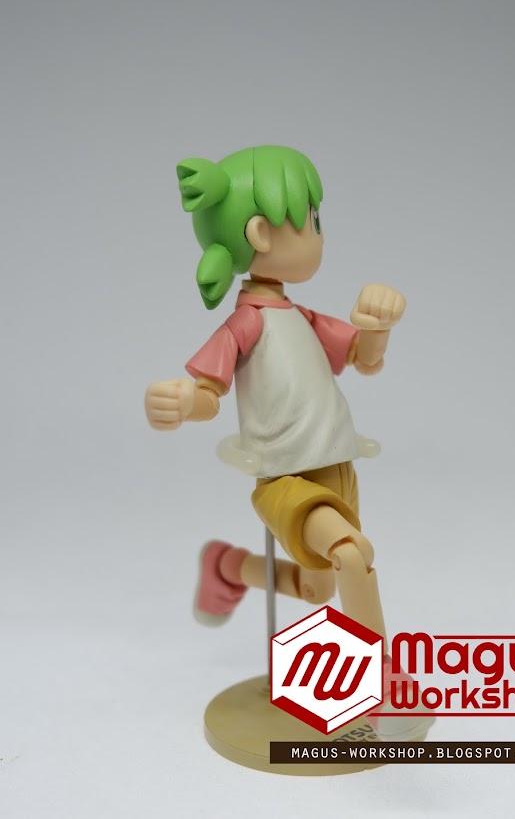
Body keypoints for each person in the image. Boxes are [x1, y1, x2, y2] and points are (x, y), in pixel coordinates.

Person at [145, 145, 434, 740]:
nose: (319, 234)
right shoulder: (246, 323)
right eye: (311, 219)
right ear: (260, 233)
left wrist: (377, 325)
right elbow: (210, 392)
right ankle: (381, 686)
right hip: (286, 479)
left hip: (336, 470)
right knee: (351, 553)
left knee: (315, 586)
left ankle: (225, 566)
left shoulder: (302, 318)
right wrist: (183, 402)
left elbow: (363, 357)